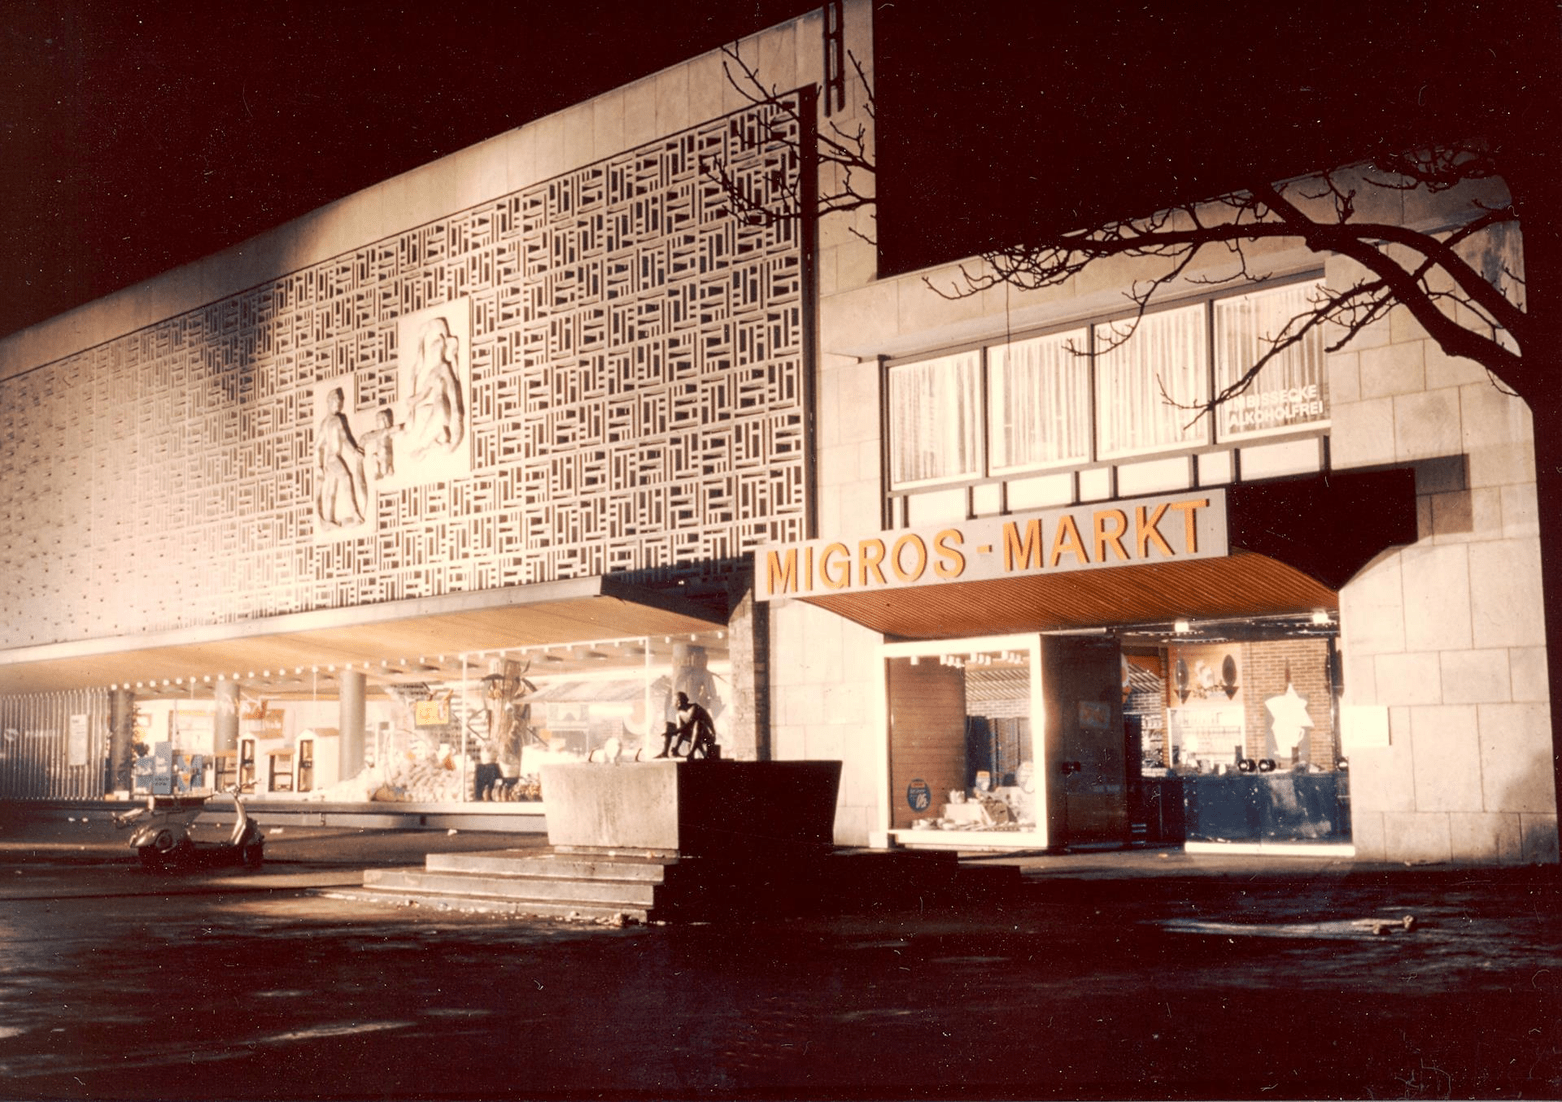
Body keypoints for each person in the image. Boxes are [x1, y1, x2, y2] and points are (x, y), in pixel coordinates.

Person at [673, 691, 717, 760]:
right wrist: (676, 746)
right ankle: (673, 751)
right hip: (693, 735)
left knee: (698, 723)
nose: (673, 704)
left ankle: (691, 752)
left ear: (679, 702)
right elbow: (680, 731)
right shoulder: (679, 714)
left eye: (674, 701)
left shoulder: (694, 707)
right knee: (670, 727)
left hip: (706, 735)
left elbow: (691, 722)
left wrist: (676, 731)